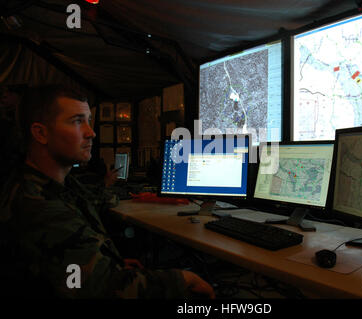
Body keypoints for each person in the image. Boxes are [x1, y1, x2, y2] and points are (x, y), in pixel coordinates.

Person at [0, 85, 215, 299]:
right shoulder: (36, 206)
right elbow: (99, 289)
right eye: (77, 121)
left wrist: (107, 260)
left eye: (88, 120)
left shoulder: (55, 185)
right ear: (40, 133)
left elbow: (66, 266)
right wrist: (183, 279)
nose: (91, 132)